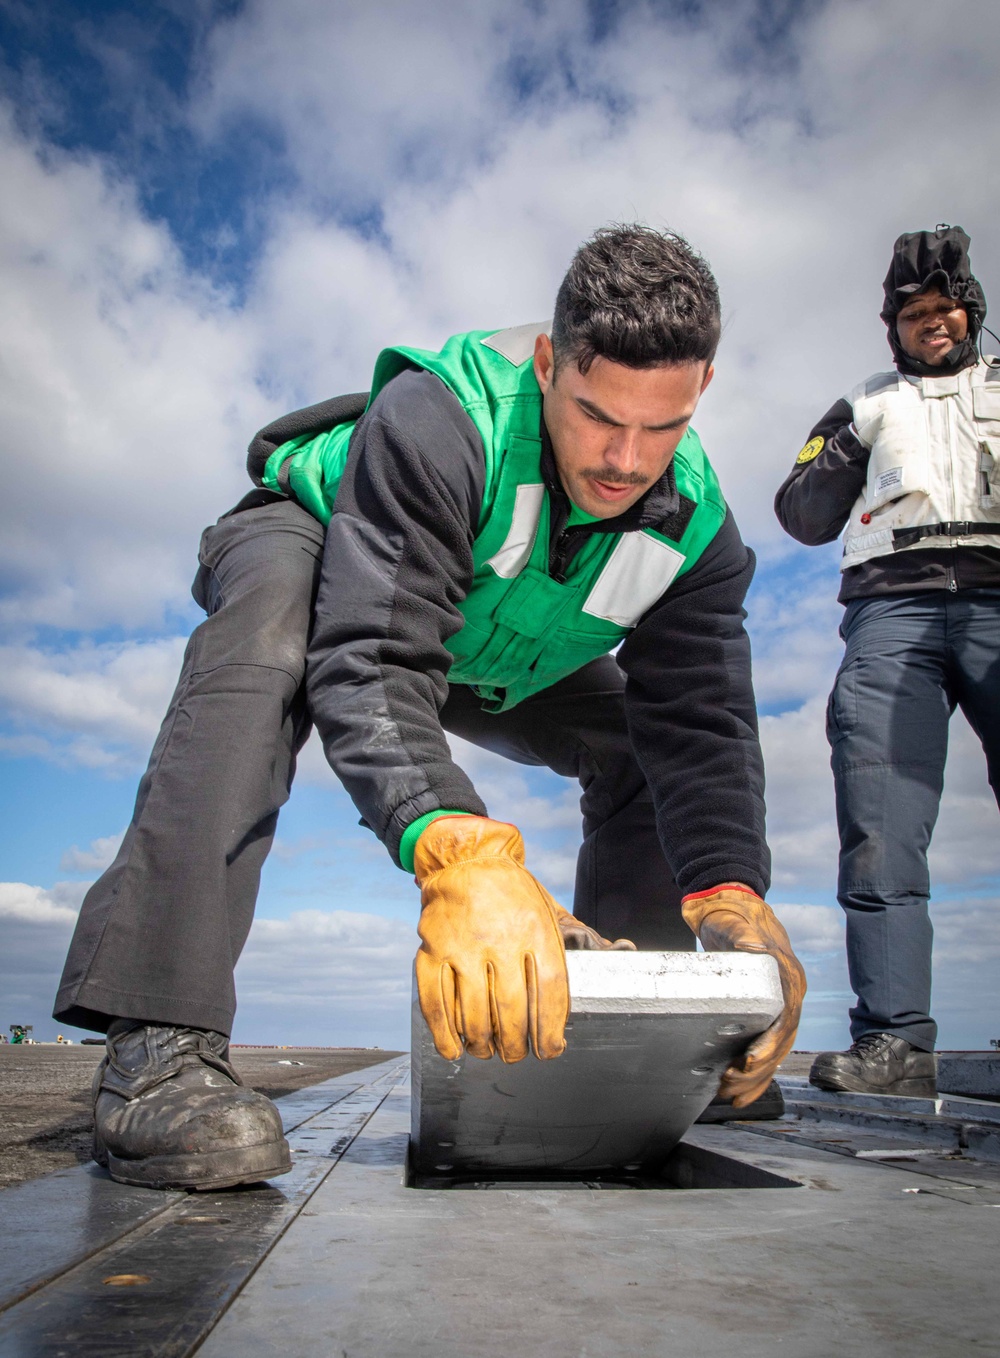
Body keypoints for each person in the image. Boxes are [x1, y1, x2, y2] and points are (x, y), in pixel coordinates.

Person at [56, 223, 805, 1189]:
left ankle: (653, 1045)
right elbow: (372, 652)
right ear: (548, 364)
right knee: (270, 645)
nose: (624, 460)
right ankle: (156, 1049)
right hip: (332, 551)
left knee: (636, 746)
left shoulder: (700, 534)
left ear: (700, 391)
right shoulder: (441, 420)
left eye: (660, 428)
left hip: (487, 636)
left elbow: (700, 727)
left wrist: (735, 899)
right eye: (594, 416)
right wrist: (458, 850)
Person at [775, 224, 1000, 1097]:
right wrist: (844, 450)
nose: (932, 324)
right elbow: (798, 512)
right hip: (889, 612)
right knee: (880, 830)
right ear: (893, 326)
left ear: (969, 312)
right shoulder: (861, 404)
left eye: (945, 309)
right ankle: (896, 1045)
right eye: (915, 314)